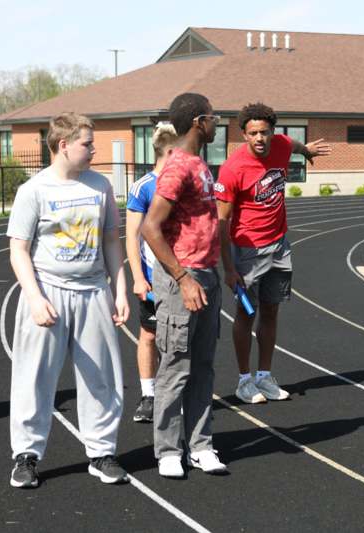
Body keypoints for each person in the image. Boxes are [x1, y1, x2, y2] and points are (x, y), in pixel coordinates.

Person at [6, 112, 130, 489]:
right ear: (63, 146)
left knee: (102, 376)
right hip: (48, 291)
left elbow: (111, 241)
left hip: (93, 290)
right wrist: (34, 297)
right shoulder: (34, 190)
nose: (94, 150)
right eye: (87, 144)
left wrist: (119, 289)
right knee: (35, 376)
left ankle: (102, 452)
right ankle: (26, 456)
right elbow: (19, 250)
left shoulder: (100, 186)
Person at [216, 102, 331, 404]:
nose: (259, 139)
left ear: (272, 132)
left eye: (264, 132)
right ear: (244, 135)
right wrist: (228, 268)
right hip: (247, 250)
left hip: (279, 245)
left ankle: (264, 376)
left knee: (271, 310)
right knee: (246, 312)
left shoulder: (280, 145)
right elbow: (221, 222)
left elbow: (290, 143)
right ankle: (244, 380)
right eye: (253, 133)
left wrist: (305, 150)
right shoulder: (233, 169)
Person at [141, 93, 227, 478]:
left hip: (207, 276)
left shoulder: (201, 164)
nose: (218, 122)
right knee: (176, 366)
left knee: (204, 367)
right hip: (184, 281)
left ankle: (201, 445)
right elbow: (150, 227)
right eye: (213, 116)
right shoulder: (178, 167)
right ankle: (168, 450)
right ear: (198, 121)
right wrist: (182, 278)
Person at [125, 123, 178, 423]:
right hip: (153, 276)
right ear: (169, 152)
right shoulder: (144, 186)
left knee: (180, 339)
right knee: (149, 334)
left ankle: (175, 392)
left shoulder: (186, 182)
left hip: (183, 274)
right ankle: (149, 395)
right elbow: (132, 236)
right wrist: (138, 277)